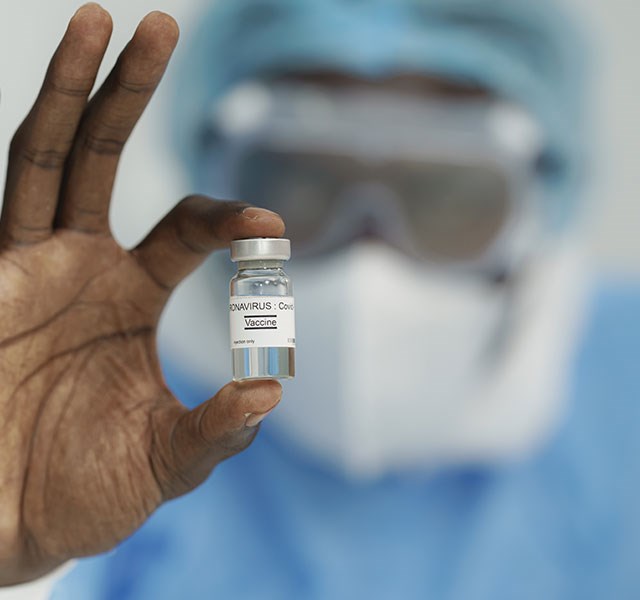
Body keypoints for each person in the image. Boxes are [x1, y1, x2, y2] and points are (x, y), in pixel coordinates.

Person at [0, 0, 637, 598]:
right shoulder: (95, 400)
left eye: (443, 194)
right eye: (302, 183)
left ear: (541, 202)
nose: (370, 270)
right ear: (216, 179)